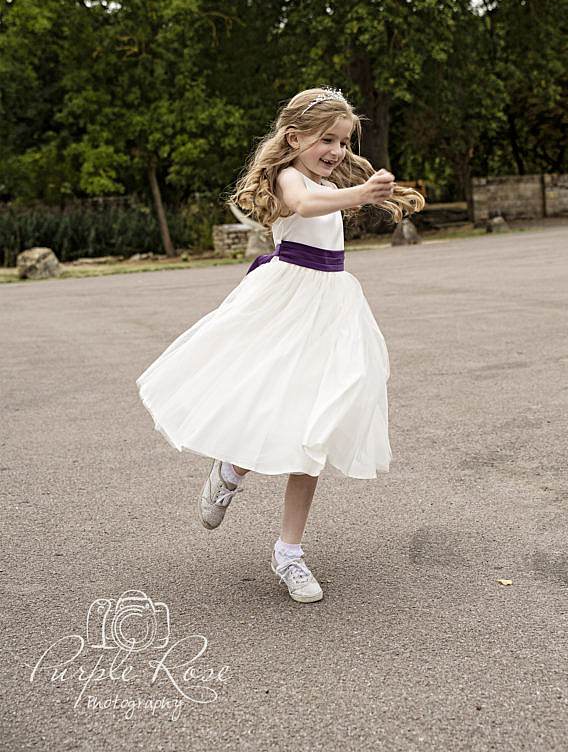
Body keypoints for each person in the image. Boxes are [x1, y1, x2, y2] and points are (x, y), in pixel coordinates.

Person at [136, 86, 425, 603]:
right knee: (269, 404)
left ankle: (289, 553)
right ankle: (229, 470)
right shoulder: (292, 179)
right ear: (295, 138)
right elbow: (304, 204)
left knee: (317, 427)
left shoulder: (331, 179)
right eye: (326, 139)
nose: (336, 151)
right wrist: (360, 194)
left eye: (342, 141)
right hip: (287, 302)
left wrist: (371, 190)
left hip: (334, 306)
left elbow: (331, 195)